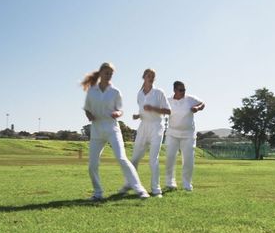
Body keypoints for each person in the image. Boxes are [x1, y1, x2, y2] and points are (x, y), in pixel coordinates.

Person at [82, 62, 150, 200]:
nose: (109, 75)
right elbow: (87, 108)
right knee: (92, 164)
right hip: (96, 132)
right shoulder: (91, 91)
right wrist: (89, 115)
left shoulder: (115, 92)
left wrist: (117, 114)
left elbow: (120, 110)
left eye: (111, 74)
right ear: (100, 73)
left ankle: (140, 189)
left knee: (121, 158)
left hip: (112, 129)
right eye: (106, 73)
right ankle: (98, 193)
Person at [119, 69, 171, 198]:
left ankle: (156, 190)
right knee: (135, 158)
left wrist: (153, 108)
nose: (151, 78)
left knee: (153, 159)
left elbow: (168, 111)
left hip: (157, 127)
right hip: (143, 127)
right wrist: (138, 115)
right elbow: (143, 112)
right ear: (144, 77)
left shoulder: (159, 92)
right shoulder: (140, 94)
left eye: (153, 76)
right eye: (149, 76)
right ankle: (129, 184)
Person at [165, 81, 205, 191]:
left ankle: (187, 184)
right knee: (170, 157)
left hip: (188, 135)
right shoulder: (168, 101)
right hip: (172, 134)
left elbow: (203, 103)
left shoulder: (190, 99)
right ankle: (170, 183)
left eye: (184, 90)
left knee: (188, 160)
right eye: (181, 90)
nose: (183, 92)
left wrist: (198, 108)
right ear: (174, 90)